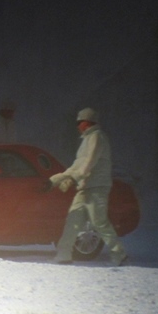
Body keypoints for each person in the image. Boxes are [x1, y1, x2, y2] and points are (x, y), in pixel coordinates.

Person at [48, 108, 127, 266]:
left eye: (79, 122)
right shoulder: (86, 139)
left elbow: (89, 163)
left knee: (99, 222)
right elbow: (76, 166)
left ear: (88, 122)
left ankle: (119, 253)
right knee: (72, 221)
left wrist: (73, 178)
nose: (77, 125)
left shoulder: (97, 137)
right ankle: (64, 255)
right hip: (84, 187)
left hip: (97, 187)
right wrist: (54, 180)